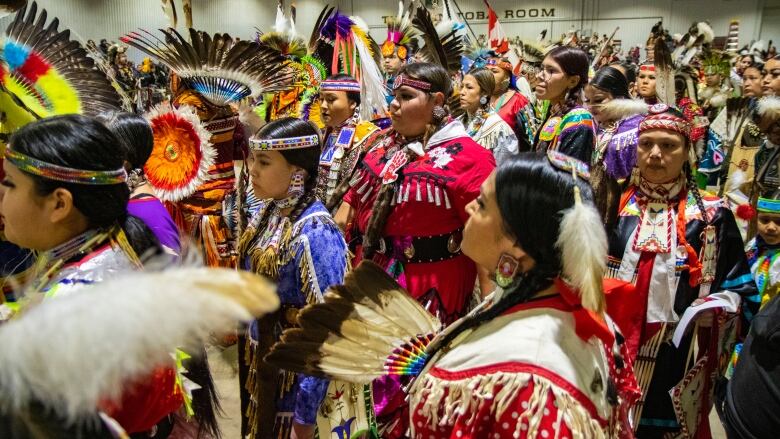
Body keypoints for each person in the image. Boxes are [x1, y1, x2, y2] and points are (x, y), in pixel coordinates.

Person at [267, 152, 641, 439]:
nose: (467, 208)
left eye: (480, 204)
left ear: (516, 244)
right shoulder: (550, 302)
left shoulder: (530, 382)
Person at [332, 62, 495, 437]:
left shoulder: (469, 158)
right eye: (394, 96)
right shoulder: (385, 145)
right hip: (373, 279)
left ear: (438, 101)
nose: (394, 106)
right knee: (367, 381)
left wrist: (487, 313)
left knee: (412, 385)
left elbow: (487, 240)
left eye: (406, 97)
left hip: (431, 287)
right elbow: (347, 210)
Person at [0, 114, 188, 436]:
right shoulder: (113, 249)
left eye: (10, 185)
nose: (1, 198)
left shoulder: (72, 310)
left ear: (59, 203)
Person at [607, 104, 758, 437]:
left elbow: (743, 290)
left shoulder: (712, 217)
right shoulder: (612, 206)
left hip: (677, 357)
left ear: (688, 152)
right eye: (646, 144)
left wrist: (718, 312)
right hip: (613, 348)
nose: (655, 154)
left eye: (669, 146)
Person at [237, 118, 348, 439]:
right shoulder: (269, 215)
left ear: (297, 172)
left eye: (264, 161)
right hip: (265, 372)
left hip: (294, 389)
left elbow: (327, 333)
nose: (252, 170)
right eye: (253, 158)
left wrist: (304, 418)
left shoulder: (316, 233)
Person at [97, 111, 181, 254]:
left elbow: (171, 273)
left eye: (98, 151)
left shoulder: (150, 214)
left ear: (124, 161)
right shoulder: (124, 202)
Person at [584, 65, 647, 232]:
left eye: (599, 100)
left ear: (619, 97)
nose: (591, 106)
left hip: (626, 209)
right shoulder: (597, 124)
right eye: (588, 101)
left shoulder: (635, 127)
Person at [317, 74, 381, 206]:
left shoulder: (371, 138)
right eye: (321, 98)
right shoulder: (321, 134)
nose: (323, 105)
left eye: (331, 99)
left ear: (352, 103)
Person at [534, 46, 596, 164]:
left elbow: (568, 178)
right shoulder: (556, 113)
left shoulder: (579, 120)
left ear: (573, 81)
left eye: (551, 71)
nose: (539, 76)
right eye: (542, 69)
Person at [458, 67, 519, 162]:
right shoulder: (456, 124)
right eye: (461, 87)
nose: (462, 92)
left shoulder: (498, 129)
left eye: (469, 87)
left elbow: (503, 171)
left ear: (484, 93)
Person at [486, 55, 535, 149]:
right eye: (486, 71)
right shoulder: (481, 99)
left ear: (507, 76)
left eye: (494, 71)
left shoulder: (519, 101)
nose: (488, 75)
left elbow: (531, 140)